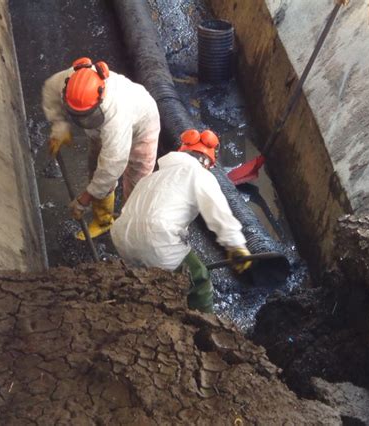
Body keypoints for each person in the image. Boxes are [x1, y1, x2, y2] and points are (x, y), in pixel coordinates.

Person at [110, 129, 252, 313]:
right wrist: (236, 246)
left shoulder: (152, 177)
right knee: (199, 278)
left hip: (122, 236)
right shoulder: (199, 174)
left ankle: (140, 306)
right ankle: (205, 325)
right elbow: (219, 213)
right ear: (207, 161)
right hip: (156, 238)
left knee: (145, 275)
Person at [42, 57, 160, 239]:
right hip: (102, 129)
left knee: (138, 182)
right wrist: (59, 125)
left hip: (142, 127)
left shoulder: (116, 115)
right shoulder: (69, 80)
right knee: (96, 167)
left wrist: (84, 199)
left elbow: (112, 166)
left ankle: (129, 227)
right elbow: (50, 89)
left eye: (86, 116)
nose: (82, 122)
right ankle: (104, 221)